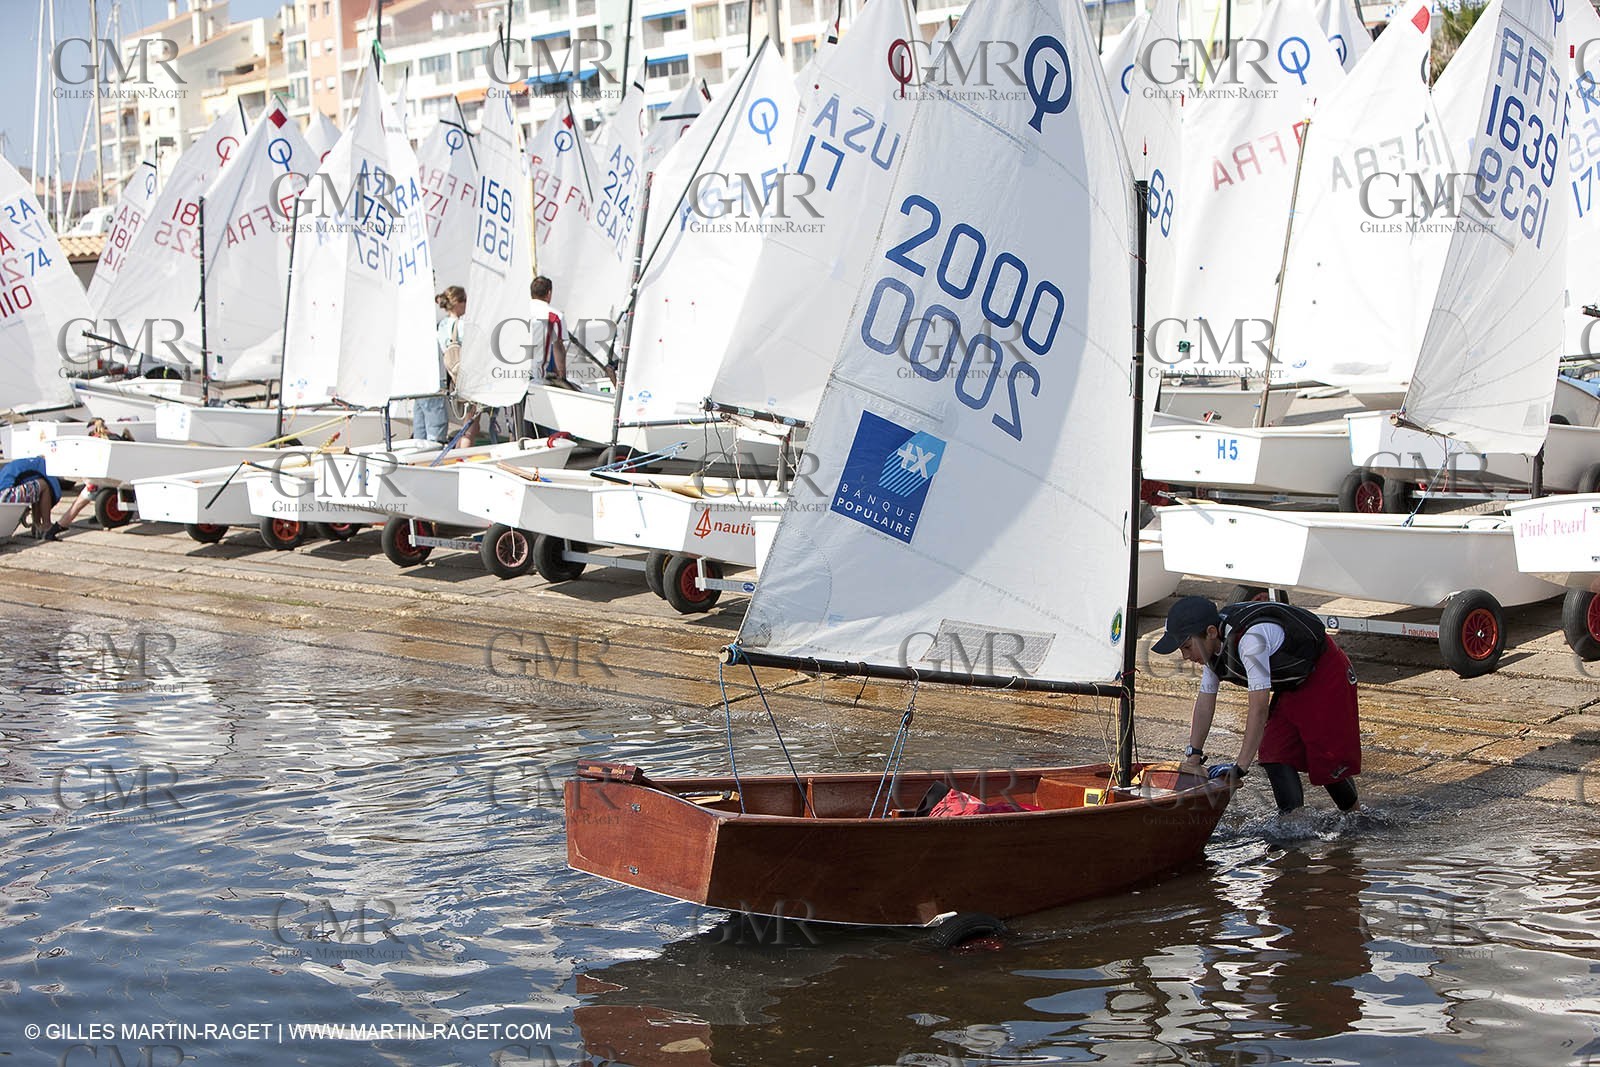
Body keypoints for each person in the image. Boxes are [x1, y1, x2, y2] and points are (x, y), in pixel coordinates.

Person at [1152, 595, 1361, 813]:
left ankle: (1356, 817)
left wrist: (1240, 767)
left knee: (1326, 759)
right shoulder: (1211, 647)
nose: (1185, 656)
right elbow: (1205, 702)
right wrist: (1193, 757)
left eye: (1187, 647)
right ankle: (1292, 821)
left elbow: (1259, 708)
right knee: (1274, 753)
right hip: (1292, 683)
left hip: (1325, 673)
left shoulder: (1251, 641)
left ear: (1211, 632)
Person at [44, 418, 123, 539]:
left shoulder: (91, 442)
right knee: (87, 497)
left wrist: (88, 481)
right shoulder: (115, 438)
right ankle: (98, 514)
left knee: (77, 505)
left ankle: (56, 528)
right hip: (116, 478)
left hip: (98, 480)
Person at [418, 286, 464, 444]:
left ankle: (421, 453)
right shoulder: (461, 325)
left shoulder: (441, 325)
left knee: (421, 425)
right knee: (437, 425)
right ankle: (436, 450)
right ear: (457, 303)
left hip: (424, 375)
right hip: (445, 376)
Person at [0, 456, 61, 537]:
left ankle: (37, 525)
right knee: (44, 485)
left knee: (36, 488)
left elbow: (34, 492)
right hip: (7, 494)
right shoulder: (45, 466)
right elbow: (55, 491)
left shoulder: (30, 464)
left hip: (3, 492)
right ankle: (47, 525)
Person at [529, 276, 568, 384]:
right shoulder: (554, 316)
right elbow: (558, 348)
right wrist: (562, 379)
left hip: (508, 377)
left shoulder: (518, 311)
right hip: (534, 378)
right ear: (549, 293)